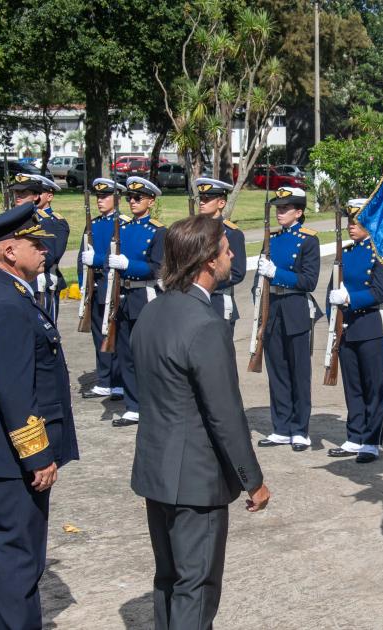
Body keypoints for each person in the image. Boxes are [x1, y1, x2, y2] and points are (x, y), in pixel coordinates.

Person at [131, 214, 269, 630]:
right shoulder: (206, 325)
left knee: (169, 580)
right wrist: (253, 479)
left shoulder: (152, 314)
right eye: (226, 250)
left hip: (157, 469)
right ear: (209, 260)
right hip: (195, 479)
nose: (231, 257)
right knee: (197, 587)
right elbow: (224, 414)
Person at [0, 202, 78, 629]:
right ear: (9, 251)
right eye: (35, 243)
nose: (46, 250)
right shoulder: (6, 305)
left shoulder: (2, 292)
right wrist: (37, 455)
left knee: (6, 540)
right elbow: (15, 392)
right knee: (22, 553)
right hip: (8, 455)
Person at [326, 199, 383, 463]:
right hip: (347, 325)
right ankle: (354, 436)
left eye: (357, 222)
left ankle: (371, 440)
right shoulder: (346, 253)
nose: (351, 227)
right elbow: (333, 289)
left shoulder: (381, 254)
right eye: (349, 222)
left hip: (370, 324)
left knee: (373, 386)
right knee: (352, 386)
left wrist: (349, 298)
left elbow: (378, 292)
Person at [255, 187, 321, 451]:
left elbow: (309, 281)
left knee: (298, 372)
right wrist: (257, 295)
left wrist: (277, 272)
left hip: (294, 307)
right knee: (278, 371)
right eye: (278, 209)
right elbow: (260, 275)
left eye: (285, 209)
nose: (280, 213)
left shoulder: (308, 240)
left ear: (299, 212)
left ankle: (300, 429)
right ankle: (281, 427)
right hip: (272, 307)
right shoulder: (271, 238)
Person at [108, 176, 166, 427]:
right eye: (129, 197)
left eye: (137, 198)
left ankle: (152, 403)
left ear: (151, 201)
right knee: (126, 352)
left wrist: (129, 265)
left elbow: (158, 268)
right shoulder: (124, 228)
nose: (132, 202)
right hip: (124, 295)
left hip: (146, 295)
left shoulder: (159, 231)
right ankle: (133, 405)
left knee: (147, 354)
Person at [79, 178, 127, 401]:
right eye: (98, 197)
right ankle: (104, 379)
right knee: (99, 334)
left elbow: (117, 257)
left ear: (116, 199)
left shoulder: (123, 224)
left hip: (112, 285)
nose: (100, 201)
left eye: (105, 196)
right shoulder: (93, 225)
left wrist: (97, 259)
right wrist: (83, 285)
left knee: (114, 334)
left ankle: (117, 381)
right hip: (95, 286)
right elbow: (82, 259)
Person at [9, 173, 69, 321]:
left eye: (23, 192)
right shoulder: (14, 218)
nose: (18, 196)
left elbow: (49, 257)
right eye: (17, 192)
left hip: (39, 282)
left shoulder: (48, 222)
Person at [194, 177, 245, 330]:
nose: (202, 202)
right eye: (201, 198)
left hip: (218, 300)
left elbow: (237, 272)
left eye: (207, 199)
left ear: (221, 203)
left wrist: (204, 283)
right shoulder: (193, 230)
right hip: (194, 299)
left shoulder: (232, 233)